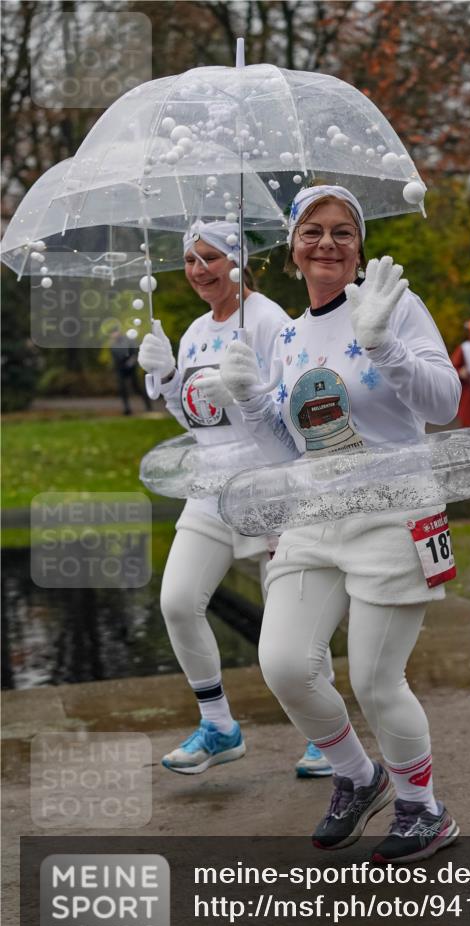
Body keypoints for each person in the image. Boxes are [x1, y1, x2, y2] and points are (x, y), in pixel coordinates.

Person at [216, 185, 462, 863]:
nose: (326, 243)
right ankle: (358, 777)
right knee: (285, 665)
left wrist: (383, 344)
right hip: (314, 511)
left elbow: (442, 404)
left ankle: (423, 808)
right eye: (311, 231)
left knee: (377, 682)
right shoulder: (289, 336)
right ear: (292, 247)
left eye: (341, 232)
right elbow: (285, 446)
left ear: (359, 246)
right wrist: (248, 400)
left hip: (393, 508)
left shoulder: (393, 305)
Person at [138, 221, 333, 779]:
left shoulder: (271, 321)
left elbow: (291, 412)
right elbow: (197, 420)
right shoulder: (197, 329)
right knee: (177, 601)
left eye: (212, 258)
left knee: (287, 622)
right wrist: (172, 377)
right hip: (210, 490)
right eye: (192, 260)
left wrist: (253, 392)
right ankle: (218, 725)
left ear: (237, 260)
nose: (200, 270)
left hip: (273, 489)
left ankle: (324, 730)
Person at [109, 326, 152, 415]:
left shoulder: (128, 341)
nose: (114, 335)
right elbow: (115, 359)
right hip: (121, 369)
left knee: (137, 387)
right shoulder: (113, 345)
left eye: (115, 332)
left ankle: (148, 406)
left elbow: (135, 353)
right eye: (112, 334)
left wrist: (130, 363)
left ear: (118, 332)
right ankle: (127, 409)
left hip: (131, 368)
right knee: (122, 389)